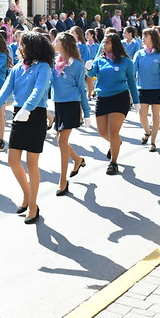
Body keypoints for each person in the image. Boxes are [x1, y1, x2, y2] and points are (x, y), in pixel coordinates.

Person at [0, 32, 53, 223]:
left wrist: (27, 108)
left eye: (22, 45)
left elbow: (39, 90)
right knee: (13, 160)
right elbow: (5, 90)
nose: (19, 48)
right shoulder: (17, 68)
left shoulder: (43, 67)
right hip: (18, 115)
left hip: (35, 115)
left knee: (32, 164)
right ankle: (27, 193)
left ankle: (33, 205)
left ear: (32, 47)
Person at [87, 33, 139, 175]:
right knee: (102, 131)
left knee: (113, 131)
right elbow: (91, 75)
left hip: (119, 98)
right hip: (102, 98)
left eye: (108, 42)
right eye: (104, 42)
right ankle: (116, 143)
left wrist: (136, 101)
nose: (104, 45)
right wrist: (89, 68)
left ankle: (113, 162)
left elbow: (131, 82)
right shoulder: (99, 60)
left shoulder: (126, 62)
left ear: (115, 44)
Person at [51, 32, 90, 196]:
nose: (54, 43)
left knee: (62, 140)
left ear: (65, 44)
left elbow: (82, 89)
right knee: (60, 140)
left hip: (71, 104)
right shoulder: (54, 63)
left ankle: (63, 180)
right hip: (58, 104)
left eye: (57, 41)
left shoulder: (77, 65)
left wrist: (86, 112)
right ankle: (78, 160)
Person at [133, 28, 160, 152]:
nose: (143, 38)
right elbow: (132, 71)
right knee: (142, 115)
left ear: (152, 38)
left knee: (155, 116)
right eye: (142, 36)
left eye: (145, 36)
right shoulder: (139, 54)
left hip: (156, 90)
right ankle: (147, 131)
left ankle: (153, 142)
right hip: (142, 89)